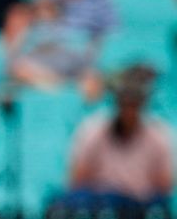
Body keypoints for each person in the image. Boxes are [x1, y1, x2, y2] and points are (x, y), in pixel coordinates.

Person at [67, 65, 173, 209]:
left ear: (143, 104)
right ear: (117, 102)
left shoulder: (159, 135)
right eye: (125, 103)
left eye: (133, 103)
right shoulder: (92, 130)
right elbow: (77, 180)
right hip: (101, 206)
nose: (128, 110)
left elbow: (164, 186)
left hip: (141, 208)